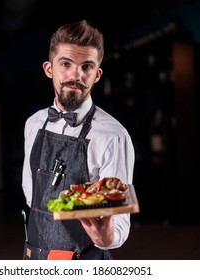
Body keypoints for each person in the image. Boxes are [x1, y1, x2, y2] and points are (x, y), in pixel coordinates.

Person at [21, 19, 135, 260]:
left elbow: (119, 223)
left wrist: (105, 237)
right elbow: (32, 196)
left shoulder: (113, 137)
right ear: (49, 69)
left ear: (97, 75)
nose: (76, 75)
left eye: (87, 67)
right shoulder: (33, 124)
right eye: (66, 64)